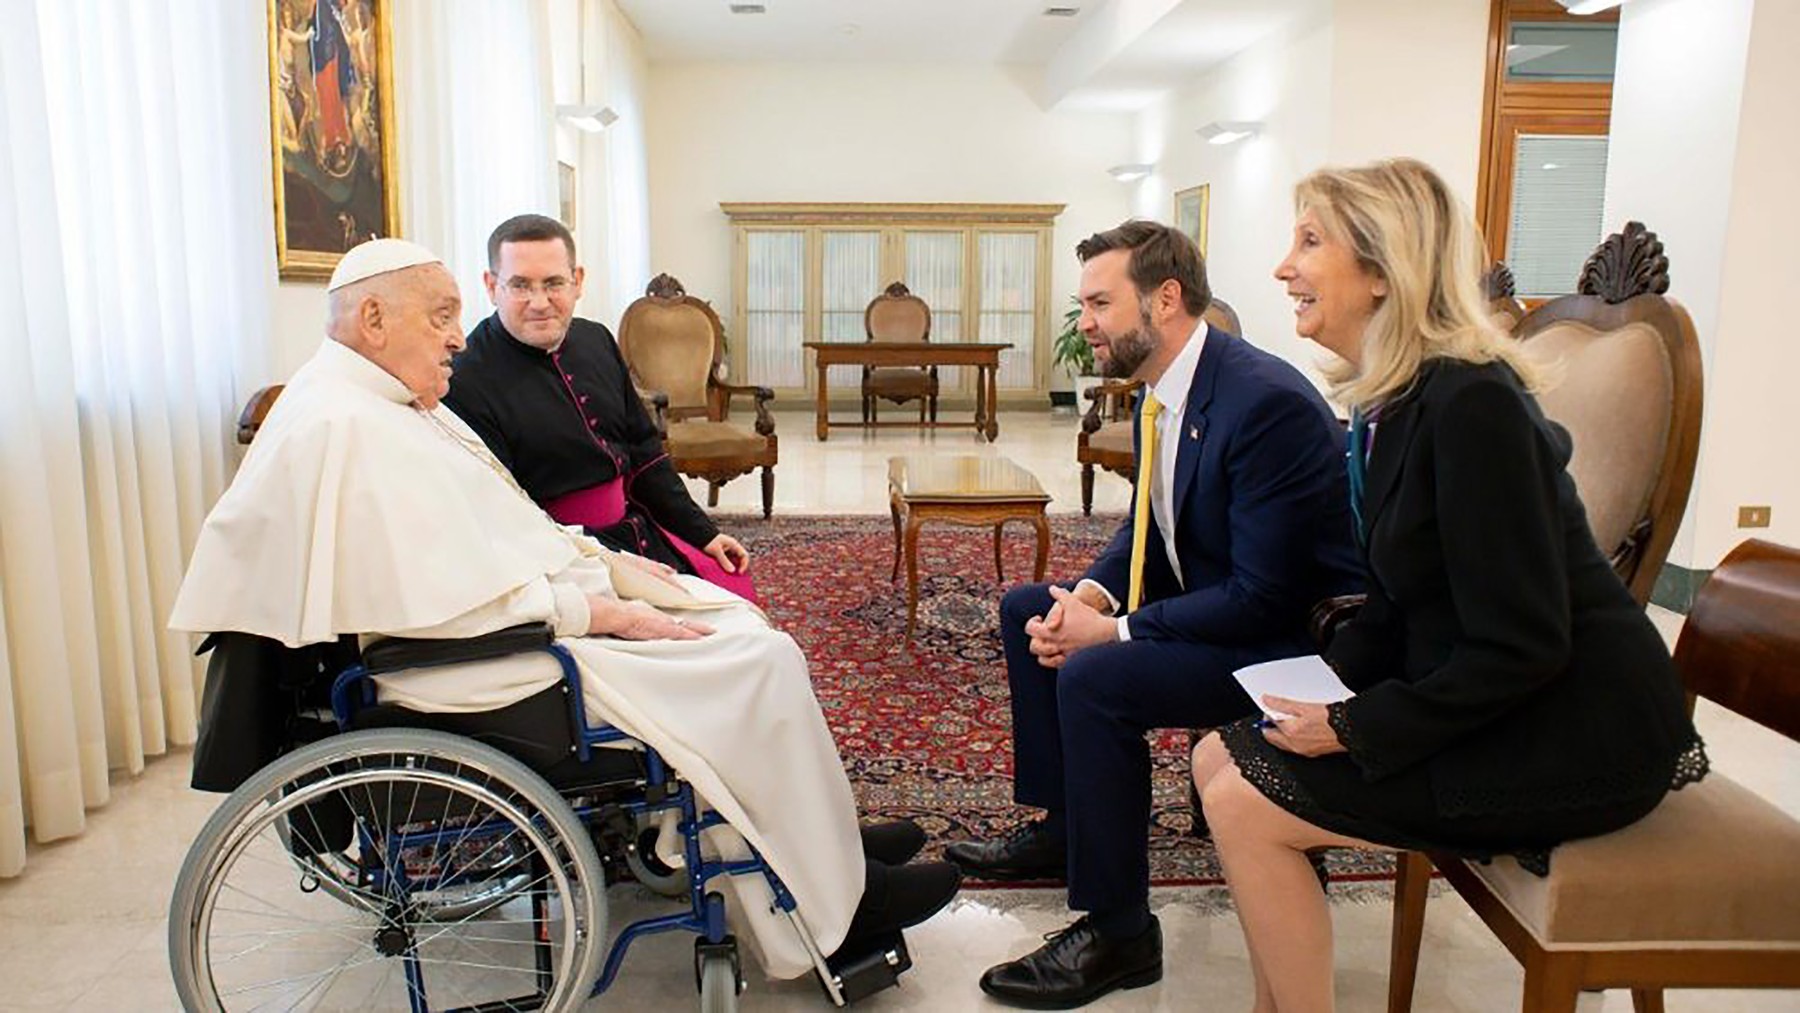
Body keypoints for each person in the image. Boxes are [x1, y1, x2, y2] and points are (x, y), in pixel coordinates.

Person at [169, 238, 959, 979]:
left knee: (737, 626)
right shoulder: (348, 423)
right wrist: (603, 611)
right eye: (441, 316)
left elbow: (490, 532)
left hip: (507, 622)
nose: (455, 337)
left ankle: (828, 854)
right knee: (755, 662)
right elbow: (437, 600)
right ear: (373, 319)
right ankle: (835, 909)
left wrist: (616, 572)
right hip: (485, 666)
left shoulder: (373, 397)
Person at [1192, 158, 1708, 1013]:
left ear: (1386, 270)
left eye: (1309, 240)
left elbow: (1526, 643)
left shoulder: (1473, 405)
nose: (1284, 266)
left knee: (1248, 803)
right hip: (1497, 692)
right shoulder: (1401, 401)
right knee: (1220, 753)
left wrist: (1356, 726)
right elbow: (1399, 600)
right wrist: (1309, 686)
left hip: (1573, 725)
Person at [947, 220, 1364, 1008]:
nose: (1087, 323)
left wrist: (1116, 631)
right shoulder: (1168, 389)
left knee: (1099, 675)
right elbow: (1150, 526)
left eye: (1101, 302)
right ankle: (1066, 825)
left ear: (1165, 299)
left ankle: (1120, 929)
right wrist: (1094, 597)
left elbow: (1264, 597)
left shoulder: (1263, 402)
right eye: (1085, 304)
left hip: (1289, 642)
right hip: (1224, 602)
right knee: (1028, 608)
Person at [443, 214, 754, 600]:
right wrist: (601, 563)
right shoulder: (465, 378)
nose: (540, 303)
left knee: (734, 591)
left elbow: (645, 454)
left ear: (578, 282)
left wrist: (702, 532)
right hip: (565, 565)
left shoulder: (595, 339)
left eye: (554, 283)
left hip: (635, 529)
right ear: (491, 287)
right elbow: (506, 517)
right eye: (520, 285)